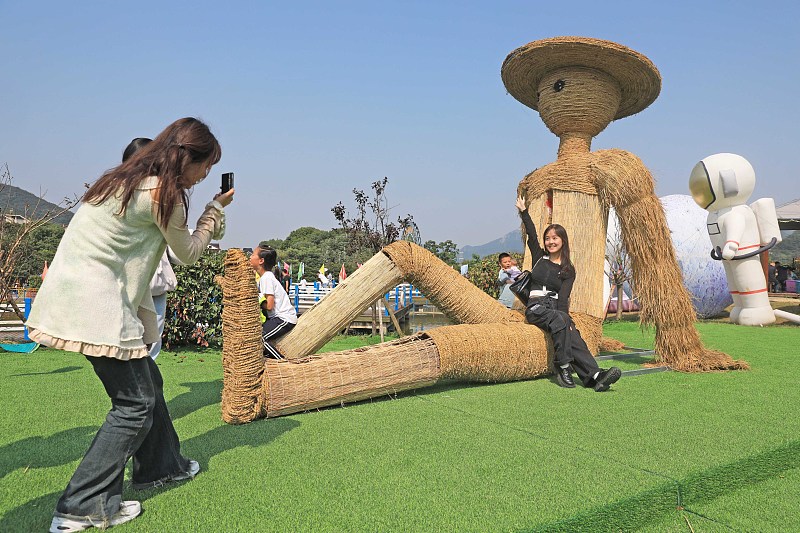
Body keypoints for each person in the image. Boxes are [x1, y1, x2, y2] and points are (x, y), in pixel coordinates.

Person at [26, 117, 234, 532]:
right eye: (205, 164)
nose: (205, 174)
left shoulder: (119, 181)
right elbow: (189, 252)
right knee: (134, 404)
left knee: (148, 384)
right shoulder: (163, 194)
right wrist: (214, 212)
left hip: (77, 297)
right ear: (184, 157)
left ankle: (161, 466)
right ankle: (81, 505)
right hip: (96, 305)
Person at [514, 196, 621, 391]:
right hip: (536, 307)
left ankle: (594, 377)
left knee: (573, 335)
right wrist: (524, 212)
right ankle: (563, 366)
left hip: (554, 309)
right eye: (548, 238)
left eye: (555, 238)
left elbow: (563, 300)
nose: (550, 242)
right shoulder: (539, 258)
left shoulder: (568, 270)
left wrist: (568, 321)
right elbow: (531, 235)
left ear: (563, 241)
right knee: (561, 321)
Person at [122, 137, 181, 360]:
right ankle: (143, 390)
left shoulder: (118, 195)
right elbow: (181, 254)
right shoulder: (159, 198)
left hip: (145, 283)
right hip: (143, 282)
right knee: (147, 342)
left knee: (141, 341)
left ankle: (145, 391)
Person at [250, 244, 298, 359]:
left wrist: (255, 302)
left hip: (283, 318)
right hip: (276, 319)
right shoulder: (264, 277)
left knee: (259, 338)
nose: (250, 257)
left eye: (252, 255)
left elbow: (270, 305)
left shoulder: (267, 278)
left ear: (261, 260)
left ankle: (282, 363)